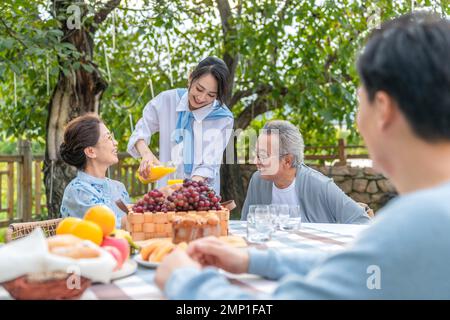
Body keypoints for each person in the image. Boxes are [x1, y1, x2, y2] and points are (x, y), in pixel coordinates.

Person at [154, 12, 450, 299]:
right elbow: (354, 270)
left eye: (360, 100)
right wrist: (252, 261)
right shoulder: (431, 217)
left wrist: (184, 281)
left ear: (383, 109)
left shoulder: (416, 224)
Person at [127, 57, 234, 193]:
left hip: (200, 196)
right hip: (166, 192)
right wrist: (146, 155)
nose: (201, 98)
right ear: (190, 78)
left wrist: (187, 191)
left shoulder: (223, 118)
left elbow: (208, 164)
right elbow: (140, 131)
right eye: (199, 89)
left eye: (211, 95)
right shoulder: (167, 100)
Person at [241, 120, 370, 224]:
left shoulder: (320, 185)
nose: (255, 161)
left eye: (263, 155)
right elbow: (245, 224)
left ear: (287, 161)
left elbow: (362, 221)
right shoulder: (257, 181)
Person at [60, 114, 130, 228]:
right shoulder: (77, 192)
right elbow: (110, 227)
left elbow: (133, 222)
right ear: (91, 151)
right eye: (109, 138)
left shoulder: (118, 188)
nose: (116, 142)